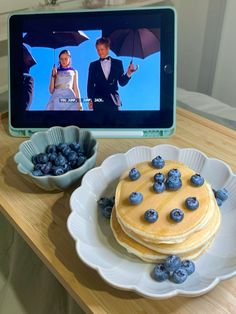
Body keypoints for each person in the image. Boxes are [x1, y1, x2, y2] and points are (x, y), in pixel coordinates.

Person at [87, 37, 138, 111]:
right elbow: (90, 85)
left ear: (108, 48)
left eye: (102, 49)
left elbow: (122, 82)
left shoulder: (118, 63)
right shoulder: (93, 65)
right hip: (98, 102)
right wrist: (90, 100)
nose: (100, 52)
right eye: (98, 50)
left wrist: (129, 73)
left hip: (114, 102)